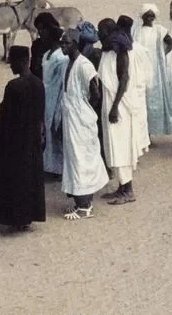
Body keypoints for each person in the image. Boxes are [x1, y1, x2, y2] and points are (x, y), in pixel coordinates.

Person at [0, 46, 46, 233]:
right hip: (31, 140)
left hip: (12, 140)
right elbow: (40, 115)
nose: (10, 65)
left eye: (12, 62)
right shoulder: (38, 84)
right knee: (28, 178)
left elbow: (4, 117)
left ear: (22, 61)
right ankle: (24, 218)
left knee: (1, 177)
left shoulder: (14, 86)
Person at [97, 18, 151, 205]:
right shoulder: (108, 52)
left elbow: (124, 80)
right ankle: (121, 187)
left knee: (121, 147)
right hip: (110, 105)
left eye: (101, 31)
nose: (99, 34)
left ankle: (128, 191)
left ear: (108, 32)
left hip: (119, 108)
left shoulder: (121, 52)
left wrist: (114, 107)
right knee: (112, 145)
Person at [58, 29, 110, 220]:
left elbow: (96, 93)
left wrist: (85, 111)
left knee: (83, 158)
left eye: (66, 43)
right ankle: (80, 201)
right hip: (70, 118)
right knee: (73, 157)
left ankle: (85, 206)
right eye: (61, 43)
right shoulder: (67, 64)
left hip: (81, 118)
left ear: (75, 44)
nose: (63, 46)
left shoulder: (84, 65)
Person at [132, 4, 172, 138]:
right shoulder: (136, 31)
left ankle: (152, 130)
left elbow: (171, 44)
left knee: (154, 99)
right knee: (142, 98)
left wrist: (162, 56)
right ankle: (144, 133)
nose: (149, 18)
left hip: (155, 69)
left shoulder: (159, 30)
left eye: (152, 16)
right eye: (147, 15)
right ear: (142, 16)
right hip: (140, 67)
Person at [39, 19, 68, 177]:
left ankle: (59, 168)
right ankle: (49, 166)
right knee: (47, 131)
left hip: (56, 96)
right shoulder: (46, 55)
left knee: (54, 130)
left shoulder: (61, 57)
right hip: (46, 96)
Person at [30, 12, 63, 79]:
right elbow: (33, 68)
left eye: (42, 29)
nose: (40, 32)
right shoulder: (36, 45)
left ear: (50, 28)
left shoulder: (60, 45)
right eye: (38, 29)